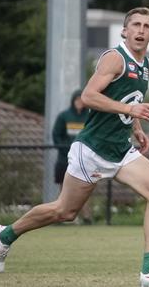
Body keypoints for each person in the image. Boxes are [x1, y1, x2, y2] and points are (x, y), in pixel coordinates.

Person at [0, 7, 149, 286]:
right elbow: (89, 96)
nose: (141, 30)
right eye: (136, 25)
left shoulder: (147, 66)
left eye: (146, 26)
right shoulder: (114, 59)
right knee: (65, 211)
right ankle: (5, 235)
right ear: (124, 31)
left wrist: (136, 126)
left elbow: (131, 98)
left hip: (120, 149)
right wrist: (131, 109)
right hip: (92, 149)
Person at [52, 89, 91, 224]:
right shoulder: (64, 116)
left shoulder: (89, 116)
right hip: (65, 159)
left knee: (83, 189)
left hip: (85, 159)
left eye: (82, 100)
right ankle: (59, 217)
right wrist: (66, 151)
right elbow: (56, 135)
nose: (79, 103)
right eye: (77, 100)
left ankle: (86, 218)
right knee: (64, 191)